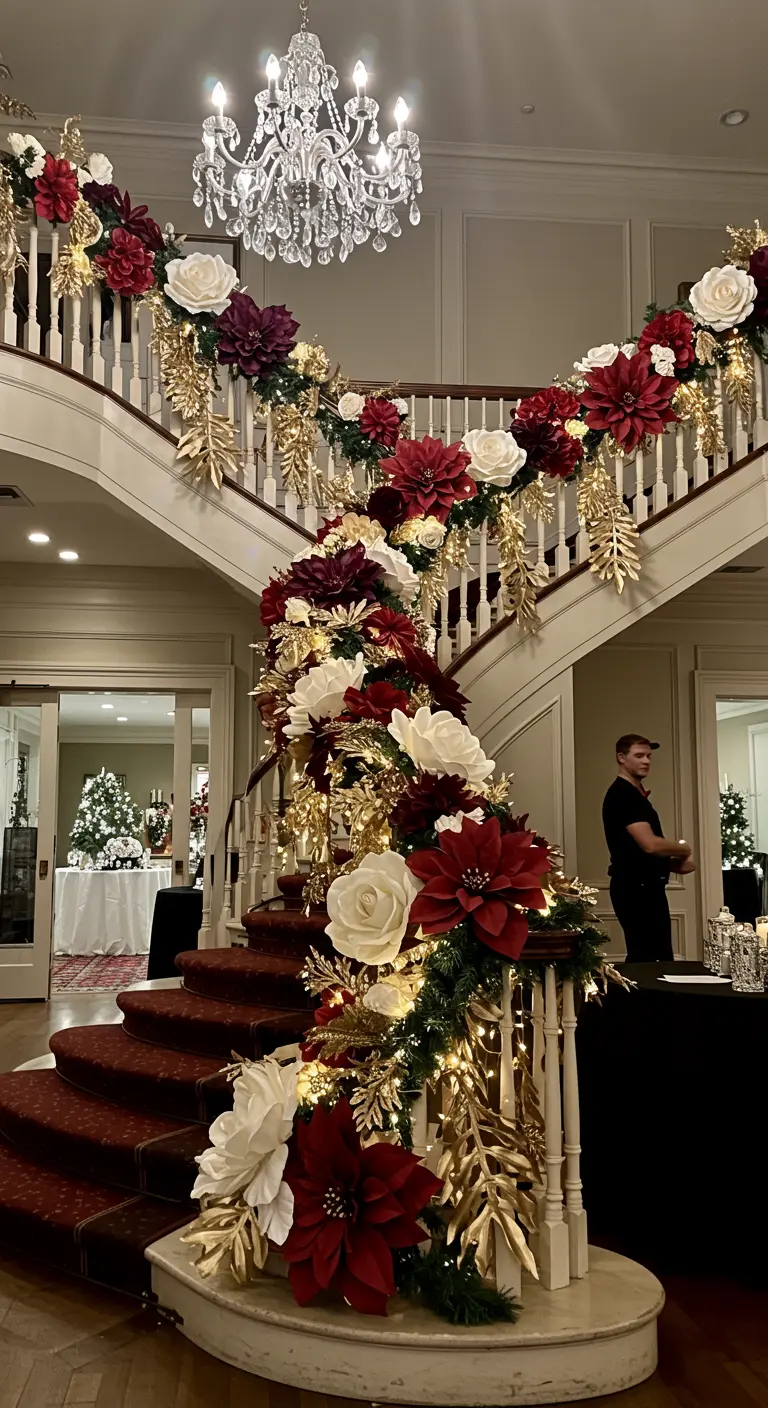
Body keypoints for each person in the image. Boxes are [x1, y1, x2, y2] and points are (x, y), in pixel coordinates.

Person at [602, 734, 695, 962]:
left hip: (642, 887)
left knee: (651, 956)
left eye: (649, 756)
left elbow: (634, 850)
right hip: (636, 889)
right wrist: (683, 849)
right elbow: (650, 844)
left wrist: (669, 864)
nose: (646, 761)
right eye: (639, 756)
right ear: (621, 757)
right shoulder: (624, 795)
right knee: (649, 959)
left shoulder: (633, 794)